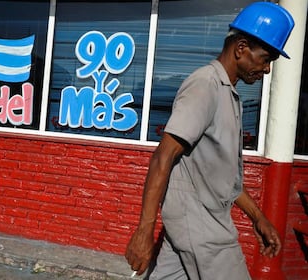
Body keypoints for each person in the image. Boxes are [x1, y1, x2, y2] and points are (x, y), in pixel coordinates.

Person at [125, 2, 295, 280]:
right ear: (241, 48)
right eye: (265, 59)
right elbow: (163, 156)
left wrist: (258, 218)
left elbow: (221, 179)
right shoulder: (205, 86)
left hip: (193, 224)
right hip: (203, 228)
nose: (266, 70)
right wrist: (144, 231)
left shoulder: (228, 94)